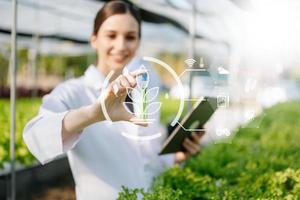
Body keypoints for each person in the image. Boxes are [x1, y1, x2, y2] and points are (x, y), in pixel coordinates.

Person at [23, 1, 203, 199]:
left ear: (138, 42)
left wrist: (176, 157)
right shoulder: (74, 92)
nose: (121, 45)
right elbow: (35, 136)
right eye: (111, 35)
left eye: (130, 37)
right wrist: (95, 113)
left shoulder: (144, 91)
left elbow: (146, 156)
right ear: (94, 39)